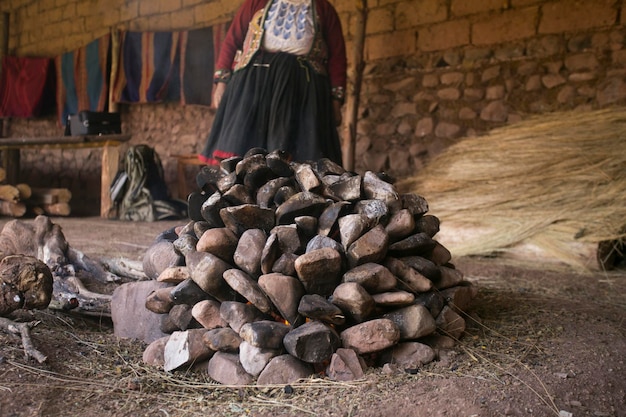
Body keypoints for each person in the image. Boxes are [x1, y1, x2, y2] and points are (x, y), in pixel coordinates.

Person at [199, 0, 347, 167]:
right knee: (244, 158)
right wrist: (221, 82)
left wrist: (336, 101)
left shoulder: (323, 8)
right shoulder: (255, 3)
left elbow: (337, 56)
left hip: (302, 91)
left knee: (300, 160)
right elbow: (232, 40)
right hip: (254, 86)